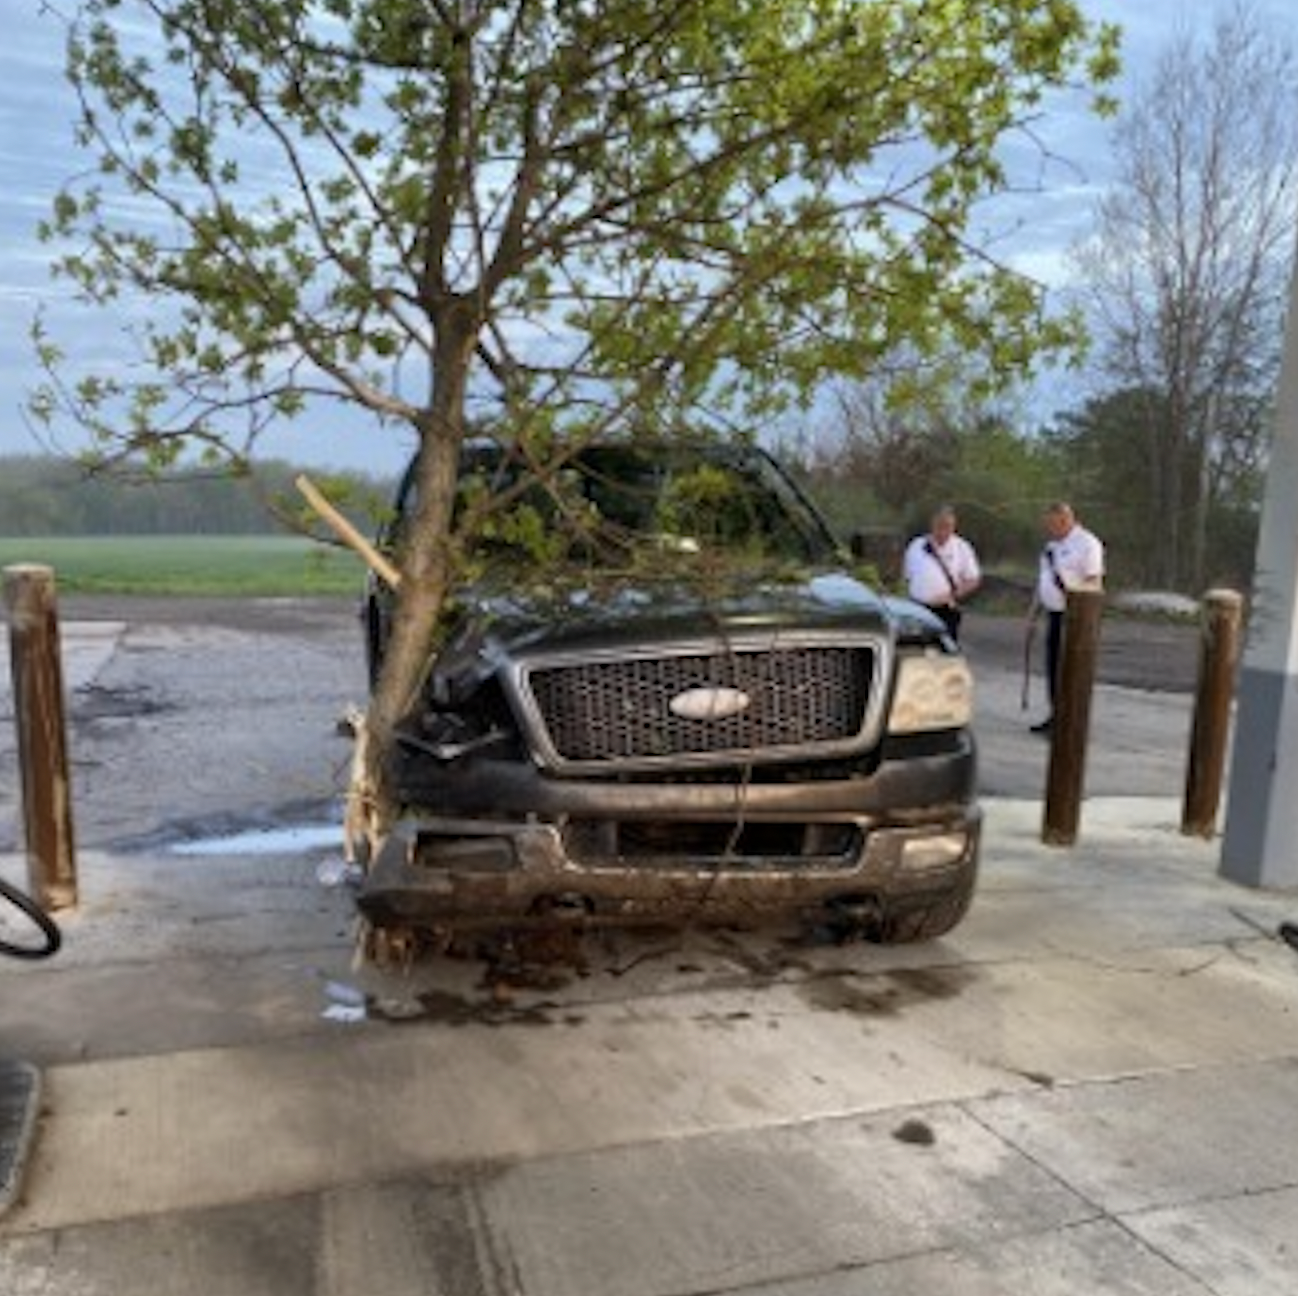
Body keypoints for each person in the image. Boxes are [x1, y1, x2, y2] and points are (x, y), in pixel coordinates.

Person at [1027, 501, 1105, 736]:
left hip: (1075, 616)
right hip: (1054, 613)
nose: (1049, 529)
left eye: (1052, 524)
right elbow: (1043, 582)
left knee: (1070, 669)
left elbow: (1094, 580)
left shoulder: (1087, 544)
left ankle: (1071, 720)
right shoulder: (1051, 547)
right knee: (1054, 668)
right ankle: (1056, 714)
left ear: (1065, 520)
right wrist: (1032, 615)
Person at [902, 505, 981, 641]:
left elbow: (973, 580)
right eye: (941, 525)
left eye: (949, 526)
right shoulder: (916, 545)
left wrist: (951, 596)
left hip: (946, 611)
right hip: (918, 610)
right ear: (933, 525)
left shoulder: (962, 547)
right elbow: (907, 577)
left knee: (945, 652)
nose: (944, 530)